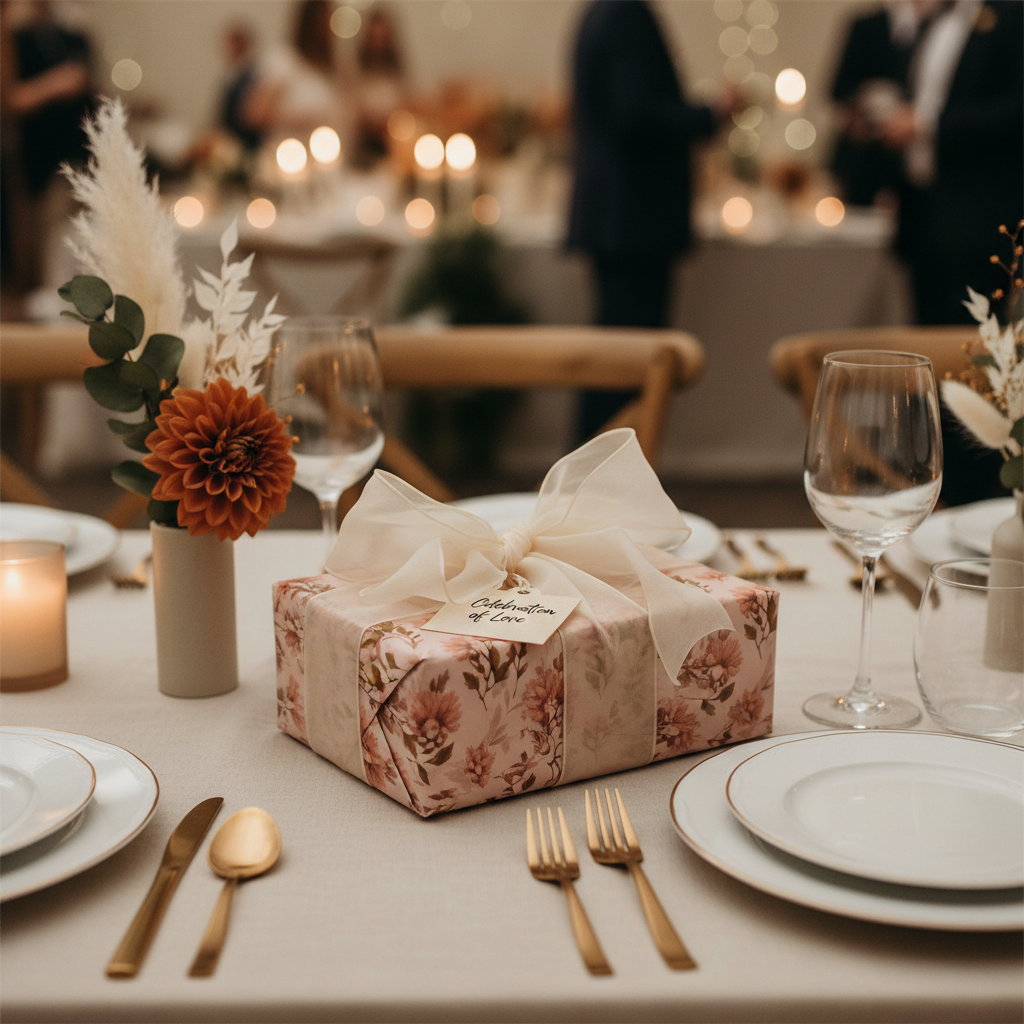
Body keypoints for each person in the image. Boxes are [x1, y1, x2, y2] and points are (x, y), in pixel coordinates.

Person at [875, 0, 1022, 505]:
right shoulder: (927, 26)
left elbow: (1016, 110)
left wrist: (931, 125)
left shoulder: (1010, 17)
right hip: (924, 217)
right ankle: (930, 480)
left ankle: (972, 496)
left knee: (974, 358)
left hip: (982, 220)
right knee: (927, 355)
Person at [566, 0, 730, 440]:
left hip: (619, 219)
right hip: (632, 220)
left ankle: (599, 475)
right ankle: (606, 479)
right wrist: (710, 114)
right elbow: (634, 115)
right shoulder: (625, 15)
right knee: (630, 367)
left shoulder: (602, 11)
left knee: (616, 361)